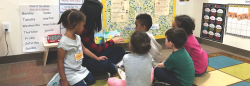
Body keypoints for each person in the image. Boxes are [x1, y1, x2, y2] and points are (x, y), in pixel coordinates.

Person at [57, 9, 108, 86]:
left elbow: (84, 49)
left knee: (91, 81)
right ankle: (62, 80)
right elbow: (59, 62)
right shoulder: (63, 43)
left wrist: (97, 58)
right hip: (70, 72)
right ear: (76, 24)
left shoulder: (78, 37)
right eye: (83, 25)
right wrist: (64, 80)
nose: (83, 28)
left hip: (80, 69)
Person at [80, 0, 125, 78]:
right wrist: (112, 41)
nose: (100, 16)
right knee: (105, 63)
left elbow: (94, 48)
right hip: (86, 60)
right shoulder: (81, 29)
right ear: (93, 15)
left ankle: (104, 70)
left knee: (120, 50)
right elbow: (96, 49)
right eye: (99, 14)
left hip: (95, 56)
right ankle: (112, 68)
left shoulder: (88, 25)